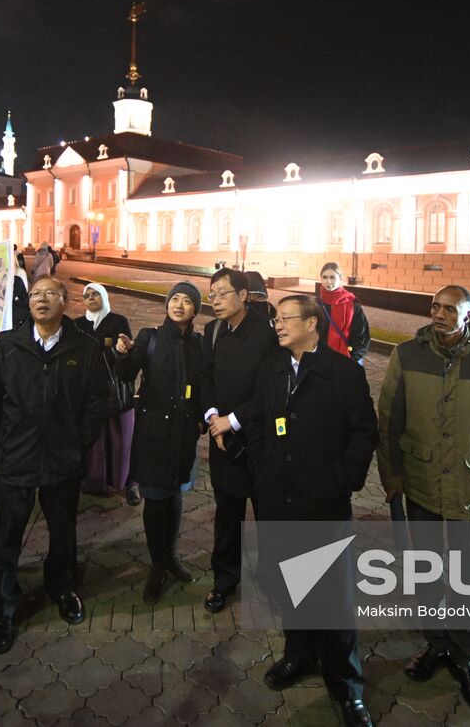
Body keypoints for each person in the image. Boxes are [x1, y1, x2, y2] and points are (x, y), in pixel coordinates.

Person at [377, 285, 470, 718]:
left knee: (466, 577)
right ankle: (435, 643)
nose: (439, 314)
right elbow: (389, 419)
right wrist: (393, 477)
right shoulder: (407, 355)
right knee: (425, 573)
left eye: (449, 309)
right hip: (421, 483)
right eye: (435, 307)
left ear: (469, 314)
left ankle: (463, 654)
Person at [245, 295, 378, 726]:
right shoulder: (273, 369)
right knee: (291, 588)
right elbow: (263, 423)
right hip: (278, 500)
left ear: (312, 324)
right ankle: (298, 654)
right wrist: (262, 469)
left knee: (333, 600)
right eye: (276, 319)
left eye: (285, 319)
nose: (277, 325)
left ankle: (347, 687)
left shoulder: (342, 373)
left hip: (322, 503)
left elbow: (364, 431)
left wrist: (343, 478)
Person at [0, 277, 108, 653]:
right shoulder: (7, 346)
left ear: (66, 302)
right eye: (35, 294)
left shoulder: (85, 348)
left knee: (63, 530)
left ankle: (62, 588)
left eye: (50, 294)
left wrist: (80, 440)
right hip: (15, 457)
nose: (41, 299)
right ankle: (1, 609)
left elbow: (98, 400)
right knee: (6, 535)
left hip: (63, 458)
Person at [114, 282, 205, 602]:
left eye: (187, 301)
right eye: (174, 299)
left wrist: (199, 423)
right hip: (153, 432)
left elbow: (204, 384)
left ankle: (172, 556)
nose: (179, 305)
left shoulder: (199, 343)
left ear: (196, 309)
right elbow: (127, 373)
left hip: (183, 434)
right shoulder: (149, 337)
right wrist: (121, 354)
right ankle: (157, 565)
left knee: (175, 493)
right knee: (155, 499)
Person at [201, 267, 280, 613]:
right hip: (223, 444)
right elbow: (206, 377)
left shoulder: (268, 334)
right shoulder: (213, 330)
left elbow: (271, 389)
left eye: (222, 293)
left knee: (269, 516)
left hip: (261, 442)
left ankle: (272, 581)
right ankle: (224, 581)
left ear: (243, 295)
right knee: (228, 515)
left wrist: (232, 421)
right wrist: (212, 417)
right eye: (211, 295)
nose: (215, 301)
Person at [75, 282, 138, 501]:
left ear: (104, 297)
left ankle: (128, 481)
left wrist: (120, 350)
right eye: (87, 295)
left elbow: (126, 354)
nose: (91, 298)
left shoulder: (118, 321)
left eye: (96, 294)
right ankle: (95, 481)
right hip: (88, 392)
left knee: (121, 439)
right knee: (94, 440)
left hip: (115, 390)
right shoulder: (78, 324)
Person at [317, 262, 370, 365]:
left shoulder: (352, 304)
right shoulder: (315, 303)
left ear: (340, 279)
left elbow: (362, 335)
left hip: (345, 360)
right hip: (320, 360)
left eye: (333, 277)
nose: (328, 281)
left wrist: (352, 357)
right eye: (325, 277)